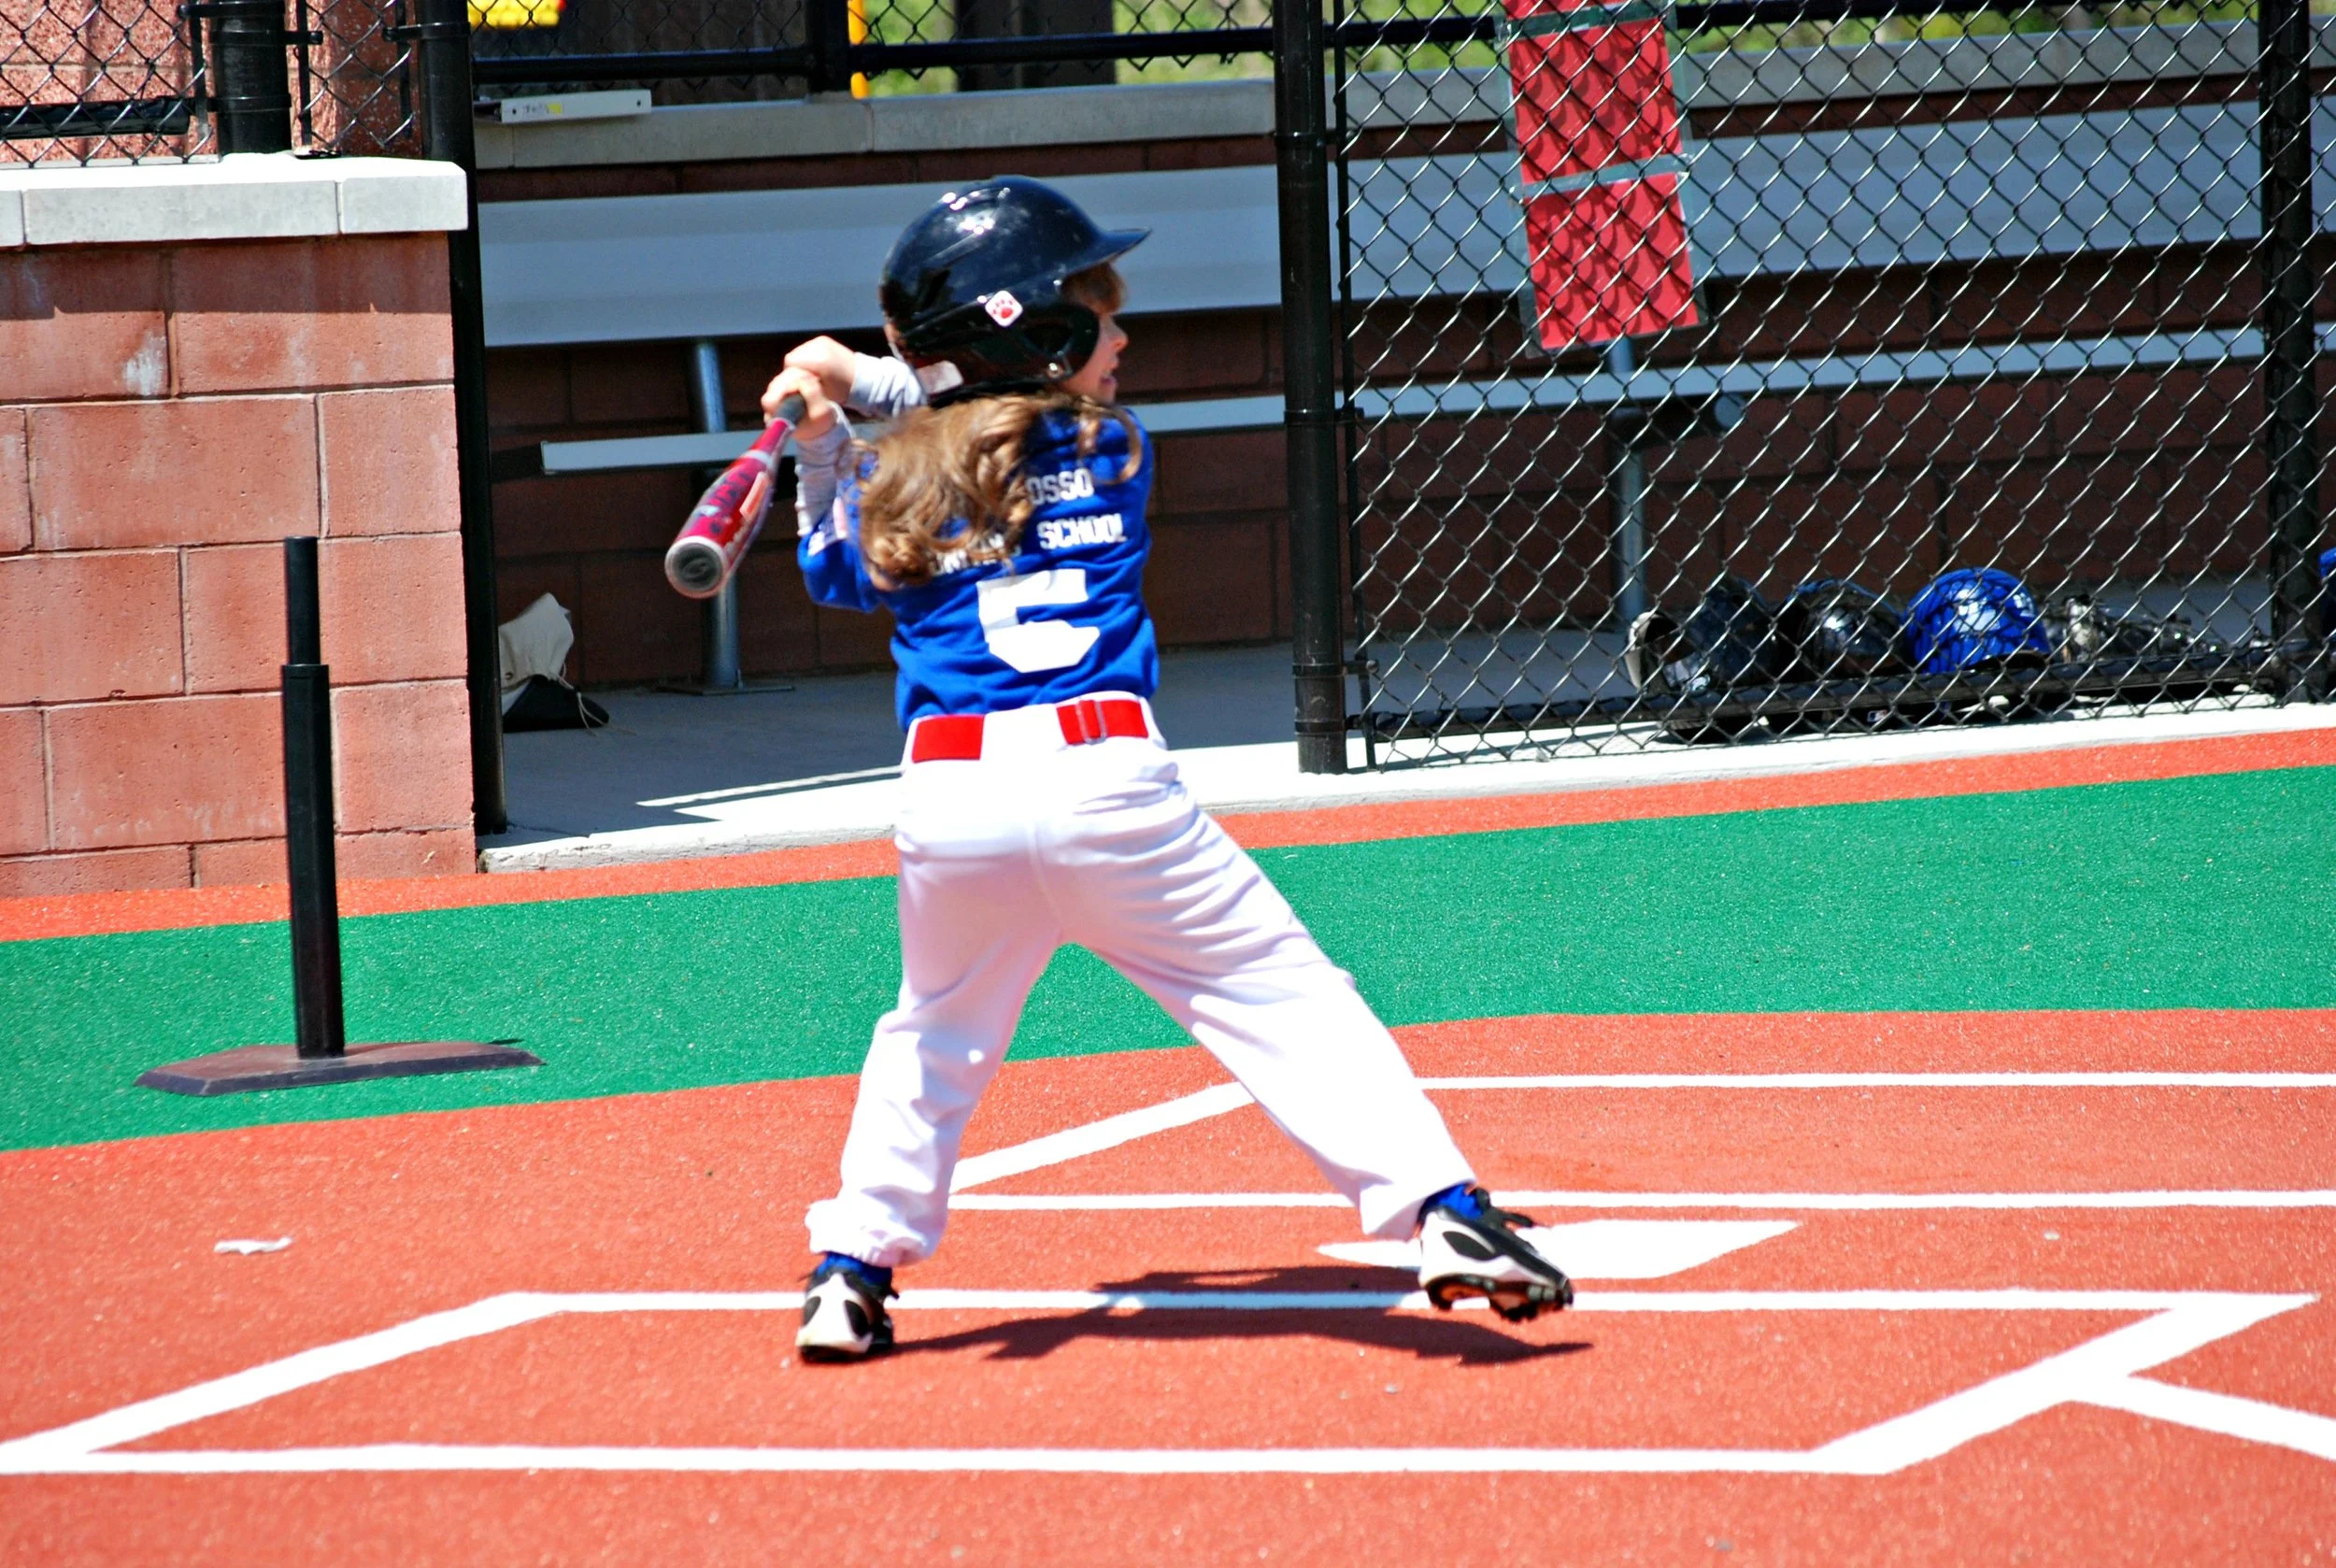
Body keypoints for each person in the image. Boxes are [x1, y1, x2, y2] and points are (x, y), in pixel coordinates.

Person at [764, 176, 1573, 1361]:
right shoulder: (1110, 446)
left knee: (932, 1033)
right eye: (1095, 315)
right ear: (1035, 333)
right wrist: (849, 390)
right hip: (1107, 788)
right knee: (1280, 993)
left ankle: (851, 1270)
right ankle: (1443, 1214)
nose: (1120, 337)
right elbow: (980, 410)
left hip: (949, 800)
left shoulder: (900, 479)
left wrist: (819, 435)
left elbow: (847, 552)